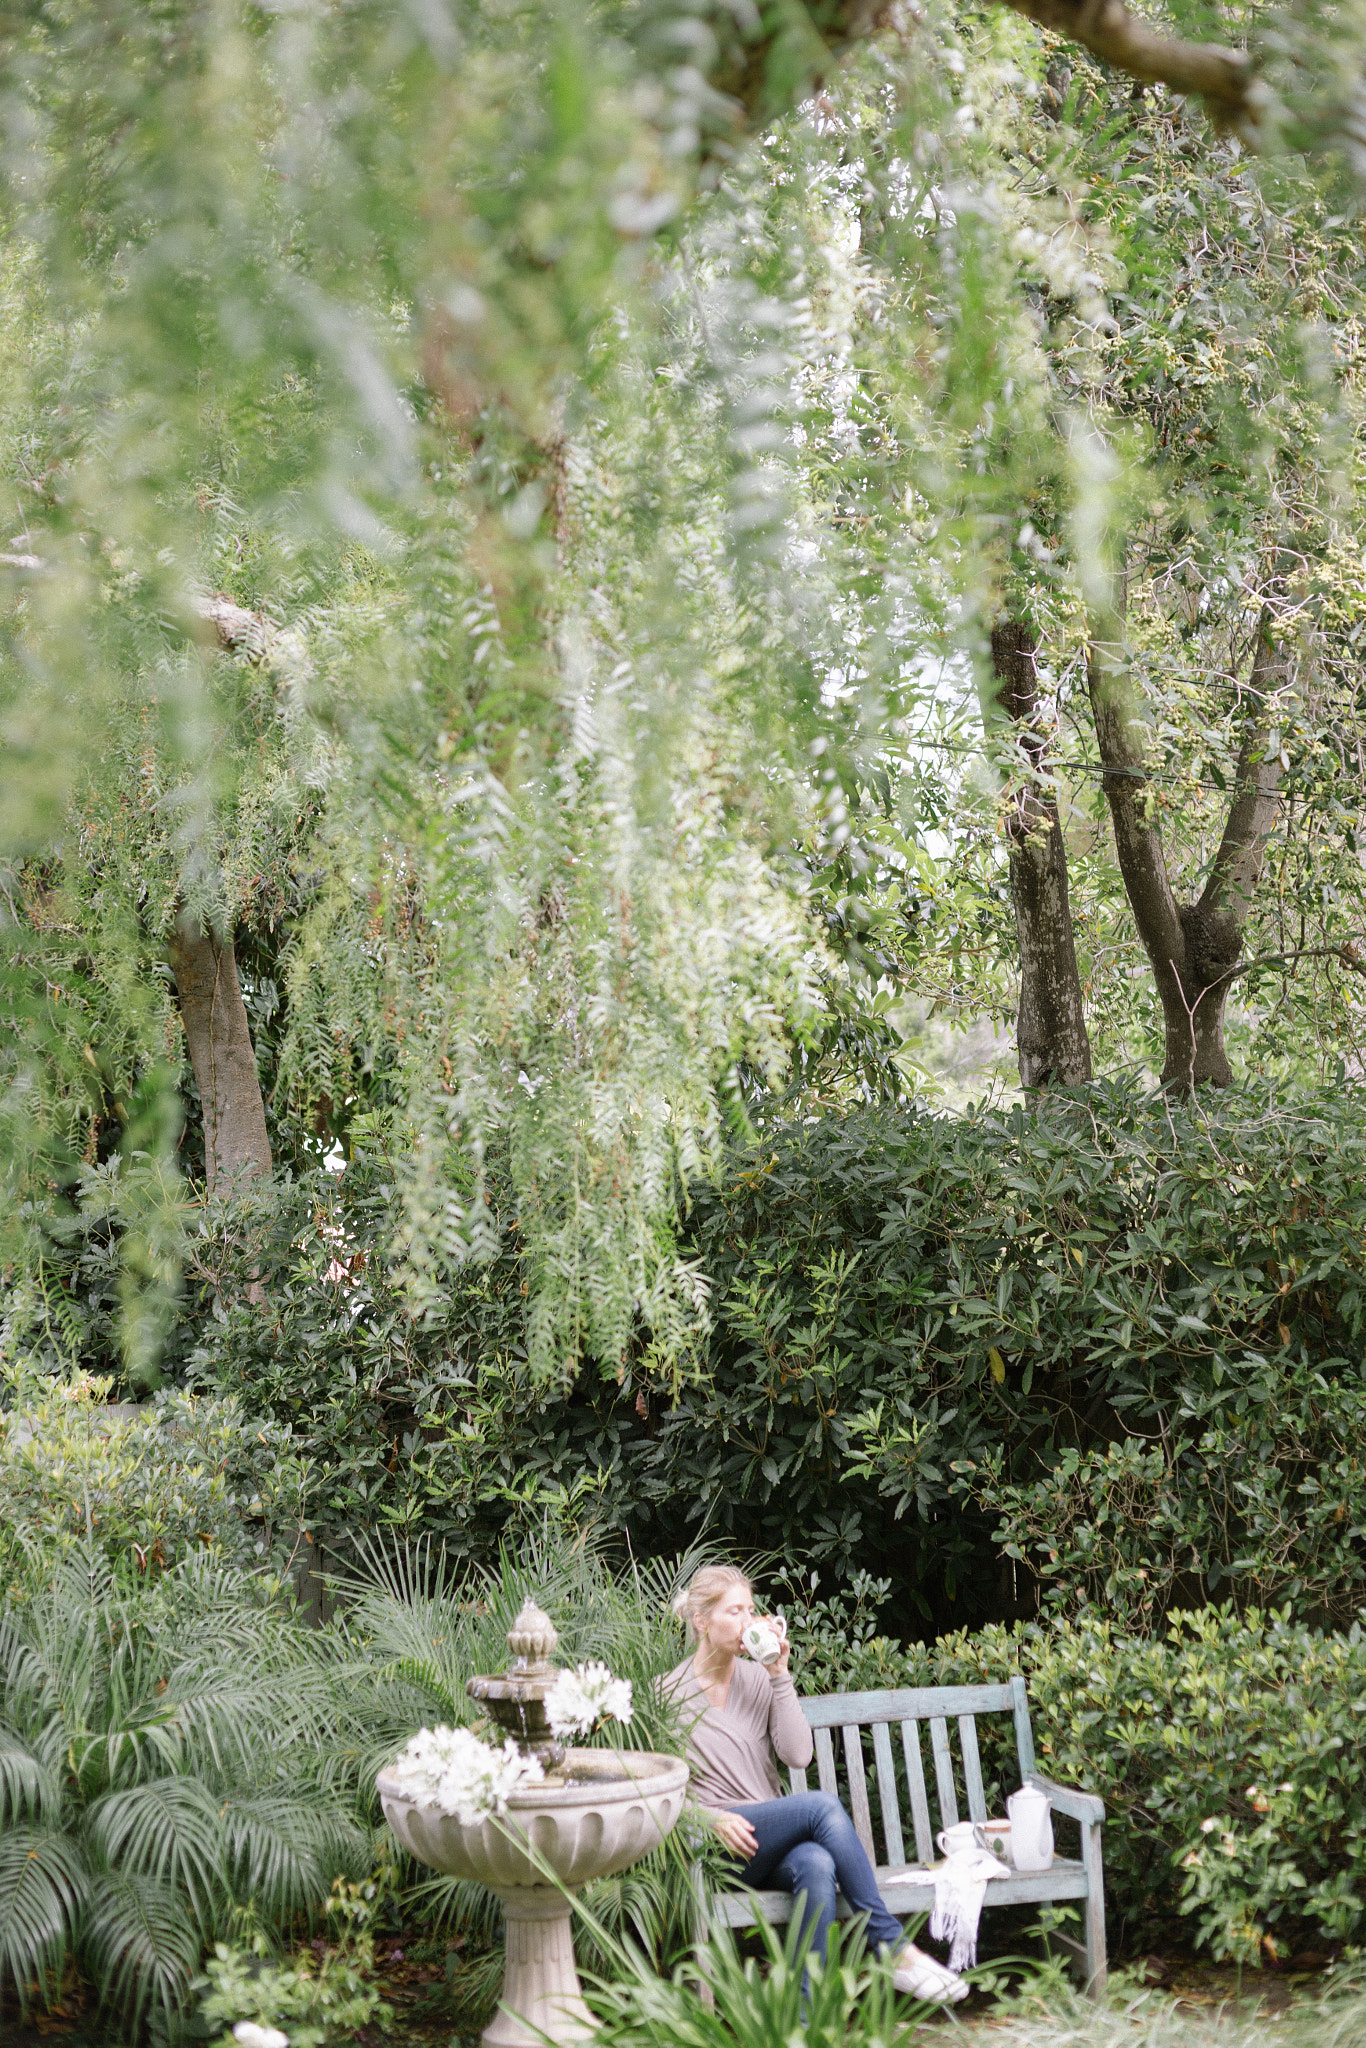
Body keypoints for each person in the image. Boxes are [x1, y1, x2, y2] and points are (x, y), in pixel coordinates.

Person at [663, 1563, 967, 2004]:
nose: (748, 1621)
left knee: (817, 1865)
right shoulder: (666, 1693)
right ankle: (889, 1943)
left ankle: (806, 2018)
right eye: (734, 1612)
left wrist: (779, 1674)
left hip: (770, 1841)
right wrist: (709, 1819)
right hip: (719, 1850)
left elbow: (797, 1755)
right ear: (701, 1621)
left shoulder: (759, 1679)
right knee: (821, 1807)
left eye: (751, 1610)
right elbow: (661, 1792)